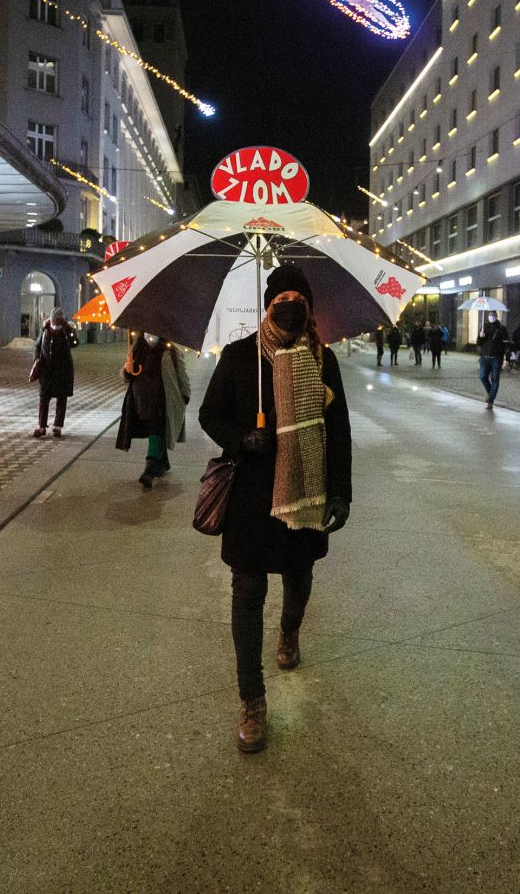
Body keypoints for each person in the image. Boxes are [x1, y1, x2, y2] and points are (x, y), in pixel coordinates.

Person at [198, 264, 351, 753]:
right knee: (247, 591)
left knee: (299, 576)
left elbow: (340, 430)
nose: (289, 305)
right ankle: (252, 700)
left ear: (309, 308)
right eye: (280, 298)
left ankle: (289, 632)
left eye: (297, 299)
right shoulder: (240, 355)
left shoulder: (323, 360)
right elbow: (209, 413)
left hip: (306, 492)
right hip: (250, 497)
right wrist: (242, 438)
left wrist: (341, 491)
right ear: (267, 306)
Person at [117, 331, 190, 489]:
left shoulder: (172, 351)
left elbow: (182, 374)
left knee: (155, 430)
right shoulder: (137, 348)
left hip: (163, 400)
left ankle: (149, 471)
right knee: (155, 430)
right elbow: (126, 377)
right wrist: (127, 370)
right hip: (141, 401)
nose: (151, 335)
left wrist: (185, 395)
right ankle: (162, 463)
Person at [30, 308, 78, 437]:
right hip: (47, 370)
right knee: (44, 397)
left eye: (58, 320)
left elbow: (75, 343)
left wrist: (67, 327)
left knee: (61, 398)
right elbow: (37, 346)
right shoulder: (45, 330)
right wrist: (37, 358)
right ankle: (41, 426)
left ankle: (57, 426)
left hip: (63, 371)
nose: (55, 323)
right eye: (54, 320)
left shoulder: (66, 330)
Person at [478, 312, 508, 408]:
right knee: (482, 376)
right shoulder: (484, 327)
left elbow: (506, 344)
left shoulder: (501, 328)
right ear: (487, 317)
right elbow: (479, 343)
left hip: (496, 357)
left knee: (495, 379)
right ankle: (491, 393)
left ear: (496, 316)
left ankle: (490, 401)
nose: (491, 317)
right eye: (490, 315)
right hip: (485, 357)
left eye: (493, 315)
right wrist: (480, 336)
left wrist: (506, 358)